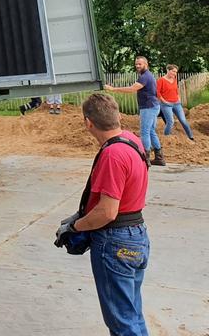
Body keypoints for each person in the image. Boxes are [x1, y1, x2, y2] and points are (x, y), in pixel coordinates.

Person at [55, 93, 150, 336]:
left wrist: (75, 228)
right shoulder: (132, 140)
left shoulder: (112, 155)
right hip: (136, 236)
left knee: (122, 323)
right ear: (118, 116)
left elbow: (107, 212)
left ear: (88, 123)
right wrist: (80, 215)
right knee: (132, 314)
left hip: (115, 242)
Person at [107, 56, 165, 166]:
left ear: (146, 64)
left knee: (145, 132)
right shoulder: (147, 75)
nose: (137, 66)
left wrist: (113, 89)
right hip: (153, 106)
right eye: (136, 64)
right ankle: (159, 158)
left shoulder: (145, 77)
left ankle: (145, 159)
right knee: (151, 131)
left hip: (148, 107)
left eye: (140, 64)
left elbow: (132, 89)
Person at [158, 64, 195, 141]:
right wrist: (164, 101)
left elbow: (176, 90)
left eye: (176, 72)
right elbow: (157, 93)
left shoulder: (174, 79)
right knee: (170, 122)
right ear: (168, 70)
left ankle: (191, 136)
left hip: (176, 103)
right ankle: (166, 139)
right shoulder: (161, 80)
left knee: (183, 120)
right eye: (173, 71)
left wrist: (178, 98)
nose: (175, 73)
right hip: (166, 105)